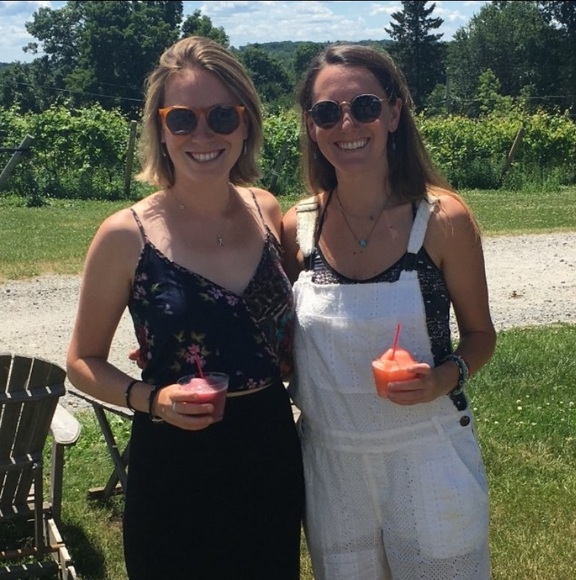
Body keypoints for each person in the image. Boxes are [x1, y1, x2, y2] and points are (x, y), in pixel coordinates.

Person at [66, 36, 304, 580]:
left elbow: (283, 324)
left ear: (245, 123)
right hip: (174, 458)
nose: (203, 135)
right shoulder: (125, 235)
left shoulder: (267, 211)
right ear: (160, 129)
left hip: (268, 447)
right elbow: (81, 361)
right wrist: (152, 399)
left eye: (221, 116)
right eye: (182, 119)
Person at [282, 43, 496, 579]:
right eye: (327, 112)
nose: (347, 124)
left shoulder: (441, 220)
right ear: (310, 125)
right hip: (333, 468)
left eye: (366, 107)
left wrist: (443, 377)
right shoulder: (297, 228)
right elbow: (283, 341)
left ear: (394, 113)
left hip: (428, 455)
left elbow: (480, 335)